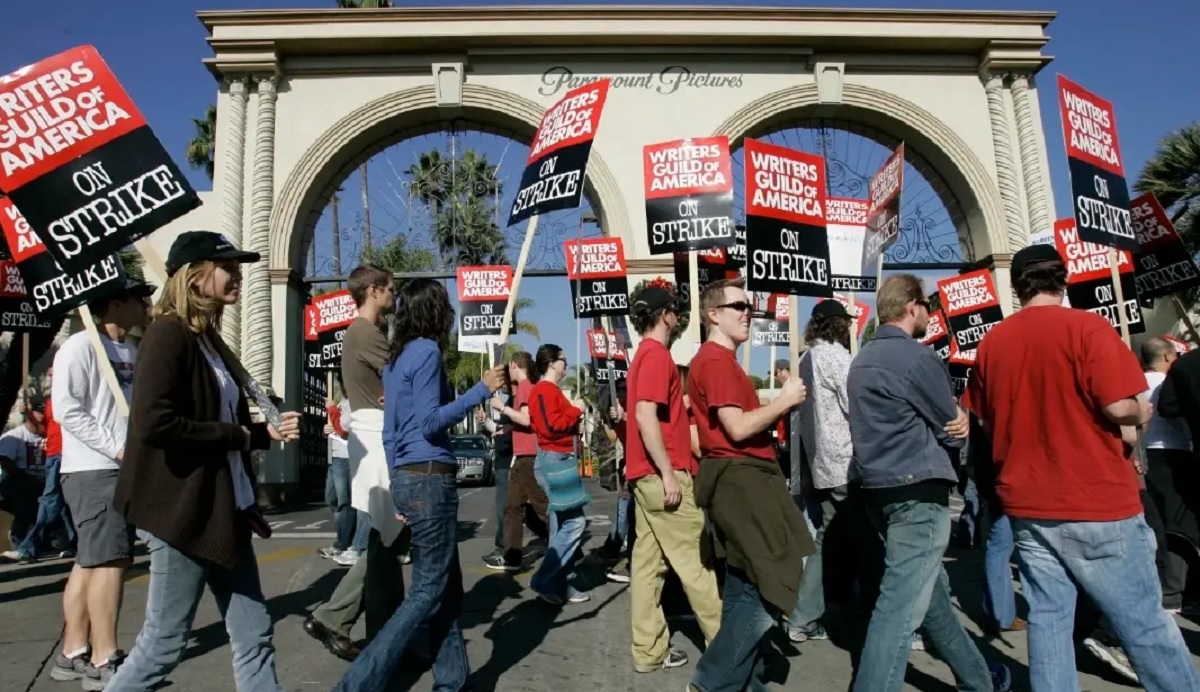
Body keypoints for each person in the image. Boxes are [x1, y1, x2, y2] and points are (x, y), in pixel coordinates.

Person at [964, 245, 1198, 692]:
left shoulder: (992, 343)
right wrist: (1139, 412)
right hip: (1098, 501)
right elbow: (1116, 405)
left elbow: (985, 419)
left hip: (1029, 505)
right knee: (1143, 625)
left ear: (1016, 287)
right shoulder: (1089, 328)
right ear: (1062, 279)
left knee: (1049, 625)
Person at [107, 231, 301, 692]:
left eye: (237, 266)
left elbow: (212, 423)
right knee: (162, 647)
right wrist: (238, 434)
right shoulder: (167, 334)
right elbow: (155, 423)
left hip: (224, 510)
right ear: (195, 277)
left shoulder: (208, 340)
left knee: (255, 635)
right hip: (183, 515)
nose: (237, 274)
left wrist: (260, 433)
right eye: (226, 266)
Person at [334, 278, 504, 692]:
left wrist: (397, 482)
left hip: (409, 476)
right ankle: (358, 683)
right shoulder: (426, 353)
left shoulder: (395, 362)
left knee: (446, 589)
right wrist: (482, 390)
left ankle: (452, 681)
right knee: (428, 591)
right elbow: (430, 422)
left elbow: (392, 434)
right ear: (435, 311)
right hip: (431, 476)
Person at [848, 274, 1009, 692]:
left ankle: (978, 680)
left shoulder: (861, 360)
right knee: (899, 609)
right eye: (927, 306)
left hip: (879, 490)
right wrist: (957, 425)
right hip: (918, 491)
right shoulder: (918, 360)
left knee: (931, 598)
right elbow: (950, 427)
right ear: (912, 307)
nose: (931, 314)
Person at [686, 277, 811, 692]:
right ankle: (711, 680)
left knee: (744, 589)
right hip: (742, 482)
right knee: (768, 589)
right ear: (713, 314)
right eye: (738, 306)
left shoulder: (719, 362)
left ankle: (743, 685)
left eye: (749, 307)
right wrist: (785, 400)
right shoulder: (717, 361)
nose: (747, 313)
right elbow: (737, 428)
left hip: (739, 481)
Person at [48, 279, 153, 689]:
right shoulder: (79, 346)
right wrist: (116, 448)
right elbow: (66, 409)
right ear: (114, 303)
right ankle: (103, 657)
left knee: (90, 561)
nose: (145, 304)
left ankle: (73, 651)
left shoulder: (130, 350)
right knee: (110, 561)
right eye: (137, 298)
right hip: (94, 469)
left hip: (119, 469)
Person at [304, 264, 408, 661]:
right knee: (388, 536)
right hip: (376, 436)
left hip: (373, 434)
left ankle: (388, 631)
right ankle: (334, 616)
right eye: (390, 289)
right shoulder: (366, 333)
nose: (393, 295)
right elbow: (401, 378)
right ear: (374, 291)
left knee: (389, 537)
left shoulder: (362, 333)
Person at [625, 285, 721, 673]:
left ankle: (649, 651)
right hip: (662, 474)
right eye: (675, 312)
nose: (678, 317)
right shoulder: (656, 356)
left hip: (644, 475)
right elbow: (647, 415)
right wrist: (667, 471)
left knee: (649, 567)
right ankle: (727, 648)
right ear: (664, 315)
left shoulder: (643, 357)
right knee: (696, 563)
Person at [789, 299, 855, 643]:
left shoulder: (805, 358)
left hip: (820, 464)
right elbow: (856, 405)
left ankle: (804, 616)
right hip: (846, 462)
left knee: (828, 541)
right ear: (837, 325)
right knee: (870, 540)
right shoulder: (835, 356)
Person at [528, 343, 591, 605]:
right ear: (552, 362)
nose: (567, 364)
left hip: (558, 458)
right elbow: (552, 425)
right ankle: (546, 578)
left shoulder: (548, 391)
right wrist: (575, 410)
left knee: (561, 524)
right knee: (575, 523)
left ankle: (560, 583)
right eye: (563, 359)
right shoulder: (543, 391)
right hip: (556, 460)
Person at [1141, 337, 1197, 614]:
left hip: (1143, 457)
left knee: (1156, 525)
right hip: (1174, 454)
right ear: (1166, 357)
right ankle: (1174, 592)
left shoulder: (1134, 382)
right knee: (1181, 528)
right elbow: (1175, 412)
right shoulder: (1170, 381)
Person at [484, 351, 550, 572]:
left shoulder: (524, 387)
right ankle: (512, 556)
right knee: (513, 506)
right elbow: (526, 421)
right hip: (523, 457)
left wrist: (502, 408)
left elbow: (527, 418)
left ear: (514, 365)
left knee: (540, 507)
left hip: (528, 458)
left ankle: (568, 542)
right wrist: (506, 427)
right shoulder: (529, 387)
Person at [13, 378, 75, 562]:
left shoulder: (69, 398)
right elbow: (43, 430)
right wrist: (29, 416)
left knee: (49, 500)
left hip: (65, 453)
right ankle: (72, 544)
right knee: (60, 504)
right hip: (53, 455)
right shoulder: (50, 403)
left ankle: (28, 547)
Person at [319, 381, 366, 566]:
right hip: (334, 456)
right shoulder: (343, 403)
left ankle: (342, 543)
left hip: (346, 457)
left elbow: (343, 429)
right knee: (331, 499)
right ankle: (348, 536)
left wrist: (331, 410)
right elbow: (335, 428)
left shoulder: (354, 402)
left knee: (343, 502)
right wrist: (326, 429)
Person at [0, 402, 47, 556]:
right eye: (39, 412)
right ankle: (20, 541)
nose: (42, 416)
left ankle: (60, 542)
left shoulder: (49, 435)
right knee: (25, 491)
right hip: (16, 482)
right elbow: (6, 462)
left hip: (43, 482)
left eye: (45, 412)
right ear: (30, 414)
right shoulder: (14, 436)